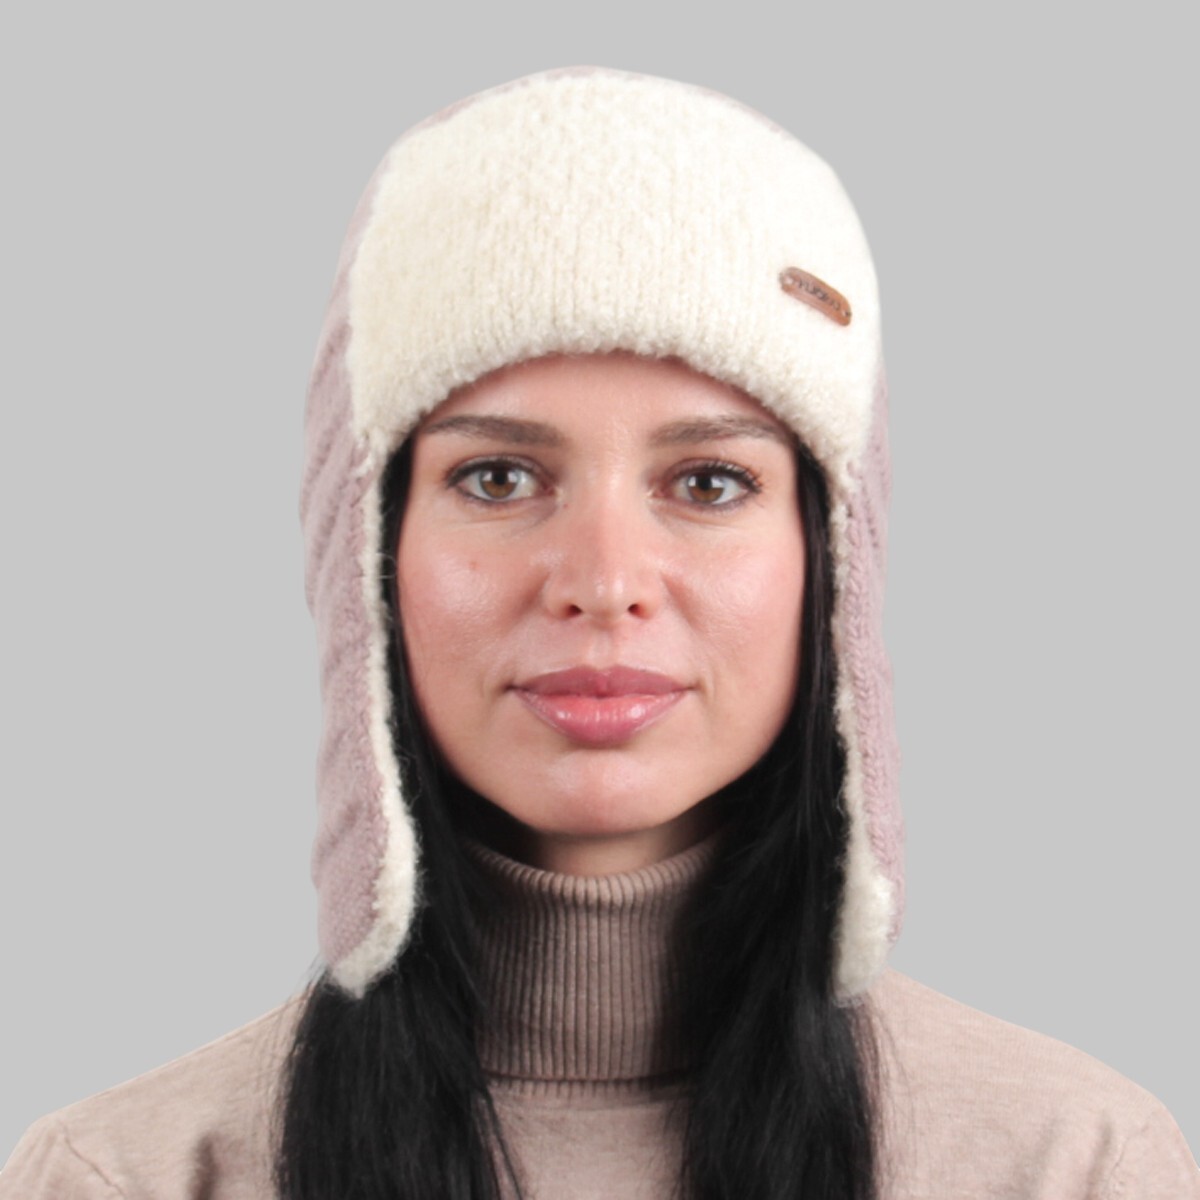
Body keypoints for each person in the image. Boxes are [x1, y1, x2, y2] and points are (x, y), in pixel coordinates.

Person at [2, 66, 1196, 1200]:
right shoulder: (133, 1175)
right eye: (498, 478)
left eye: (710, 483)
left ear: (834, 560)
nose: (604, 583)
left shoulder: (1068, 1164)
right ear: (364, 555)